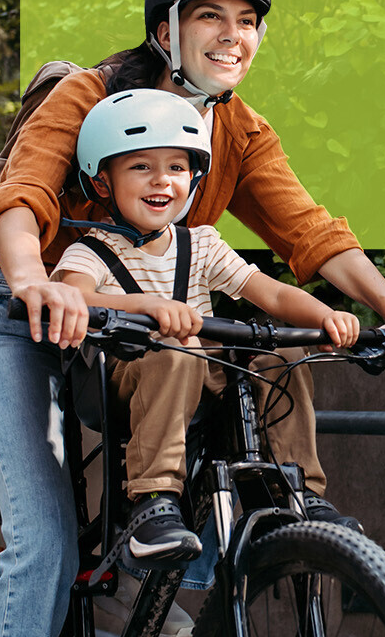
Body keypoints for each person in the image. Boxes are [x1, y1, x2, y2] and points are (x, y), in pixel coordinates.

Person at [0, 0, 385, 637]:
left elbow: (308, 232)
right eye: (210, 17)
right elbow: (26, 192)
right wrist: (34, 278)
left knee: (252, 389)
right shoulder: (88, 96)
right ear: (166, 33)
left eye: (248, 21)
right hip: (27, 312)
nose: (233, 35)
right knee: (45, 542)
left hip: (151, 325)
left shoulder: (239, 130)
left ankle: (167, 574)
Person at [52, 87, 361, 564]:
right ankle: (152, 502)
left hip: (203, 371)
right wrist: (148, 306)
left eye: (177, 167)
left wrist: (325, 315)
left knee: (283, 357)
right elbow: (70, 295)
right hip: (124, 378)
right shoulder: (89, 249)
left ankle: (295, 490)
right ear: (102, 183)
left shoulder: (200, 244)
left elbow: (271, 292)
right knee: (174, 347)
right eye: (141, 167)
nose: (162, 180)